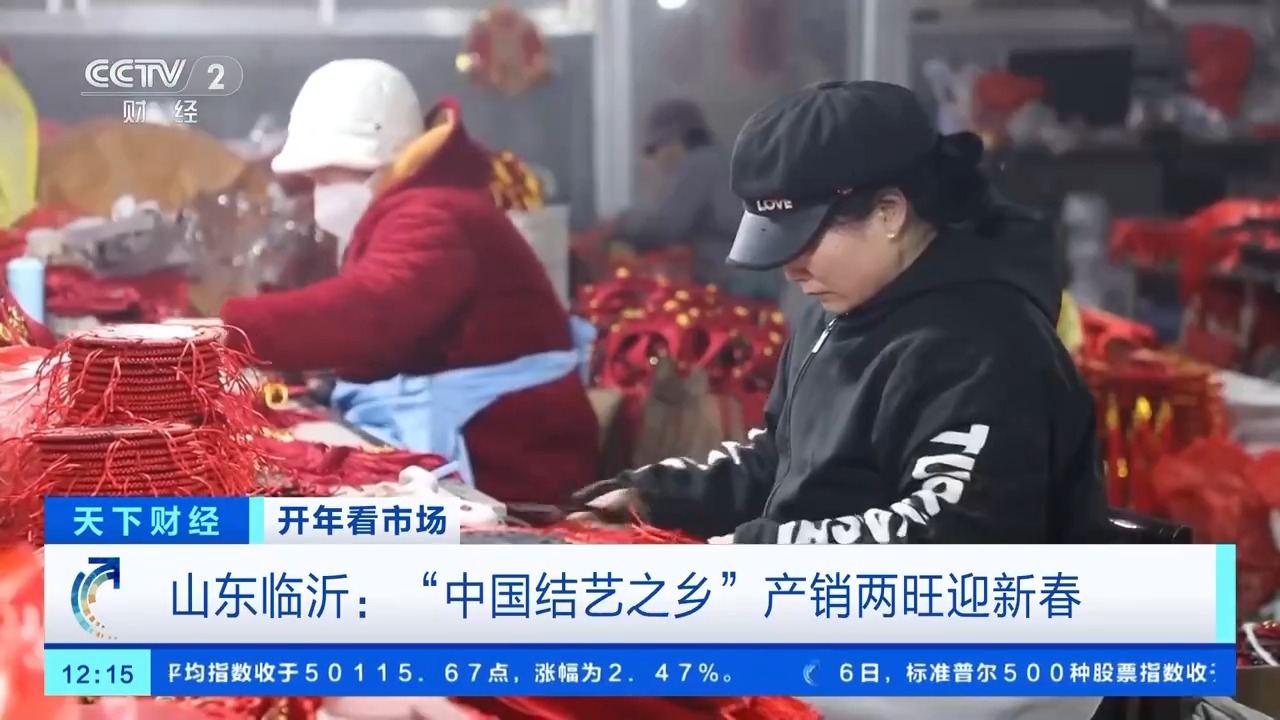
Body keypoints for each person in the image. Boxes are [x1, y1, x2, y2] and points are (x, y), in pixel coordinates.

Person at [574, 78, 1110, 720]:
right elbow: (780, 458)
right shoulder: (836, 313)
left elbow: (953, 544)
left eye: (805, 239)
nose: (791, 269)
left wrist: (756, 553)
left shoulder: (986, 344)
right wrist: (654, 495)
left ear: (890, 212)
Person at [219, 59, 599, 505]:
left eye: (325, 178)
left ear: (373, 162)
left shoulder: (432, 213)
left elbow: (372, 312)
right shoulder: (419, 202)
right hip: (497, 443)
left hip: (510, 463)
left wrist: (229, 327)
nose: (319, 193)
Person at [612, 98, 781, 300]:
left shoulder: (698, 165)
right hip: (765, 272)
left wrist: (621, 224)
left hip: (739, 278)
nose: (657, 158)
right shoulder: (720, 158)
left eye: (655, 148)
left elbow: (667, 226)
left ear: (674, 140)